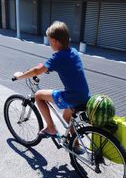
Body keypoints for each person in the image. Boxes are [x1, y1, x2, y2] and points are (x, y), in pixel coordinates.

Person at [14, 21, 90, 154]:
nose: (50, 44)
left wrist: (20, 76)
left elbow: (37, 71)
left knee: (38, 95)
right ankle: (75, 143)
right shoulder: (73, 51)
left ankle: (51, 128)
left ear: (55, 41)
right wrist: (48, 68)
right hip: (84, 95)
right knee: (67, 117)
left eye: (49, 41)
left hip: (71, 97)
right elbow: (66, 66)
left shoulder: (57, 57)